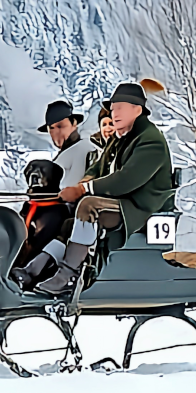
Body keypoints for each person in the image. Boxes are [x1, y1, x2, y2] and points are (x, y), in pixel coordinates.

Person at [29, 82, 175, 295]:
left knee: (89, 206)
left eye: (120, 108)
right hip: (125, 201)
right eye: (113, 108)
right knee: (70, 223)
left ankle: (69, 274)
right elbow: (98, 167)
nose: (114, 113)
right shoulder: (120, 138)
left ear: (138, 109)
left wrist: (83, 191)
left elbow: (126, 180)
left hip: (143, 207)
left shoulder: (150, 140)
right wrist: (82, 183)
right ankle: (36, 268)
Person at [38, 100, 97, 189]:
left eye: (60, 126)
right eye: (51, 128)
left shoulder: (84, 148)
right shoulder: (72, 150)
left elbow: (71, 185)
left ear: (74, 123)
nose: (57, 133)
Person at [85, 105, 119, 176]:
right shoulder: (91, 157)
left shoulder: (125, 150)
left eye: (111, 124)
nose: (108, 128)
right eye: (104, 125)